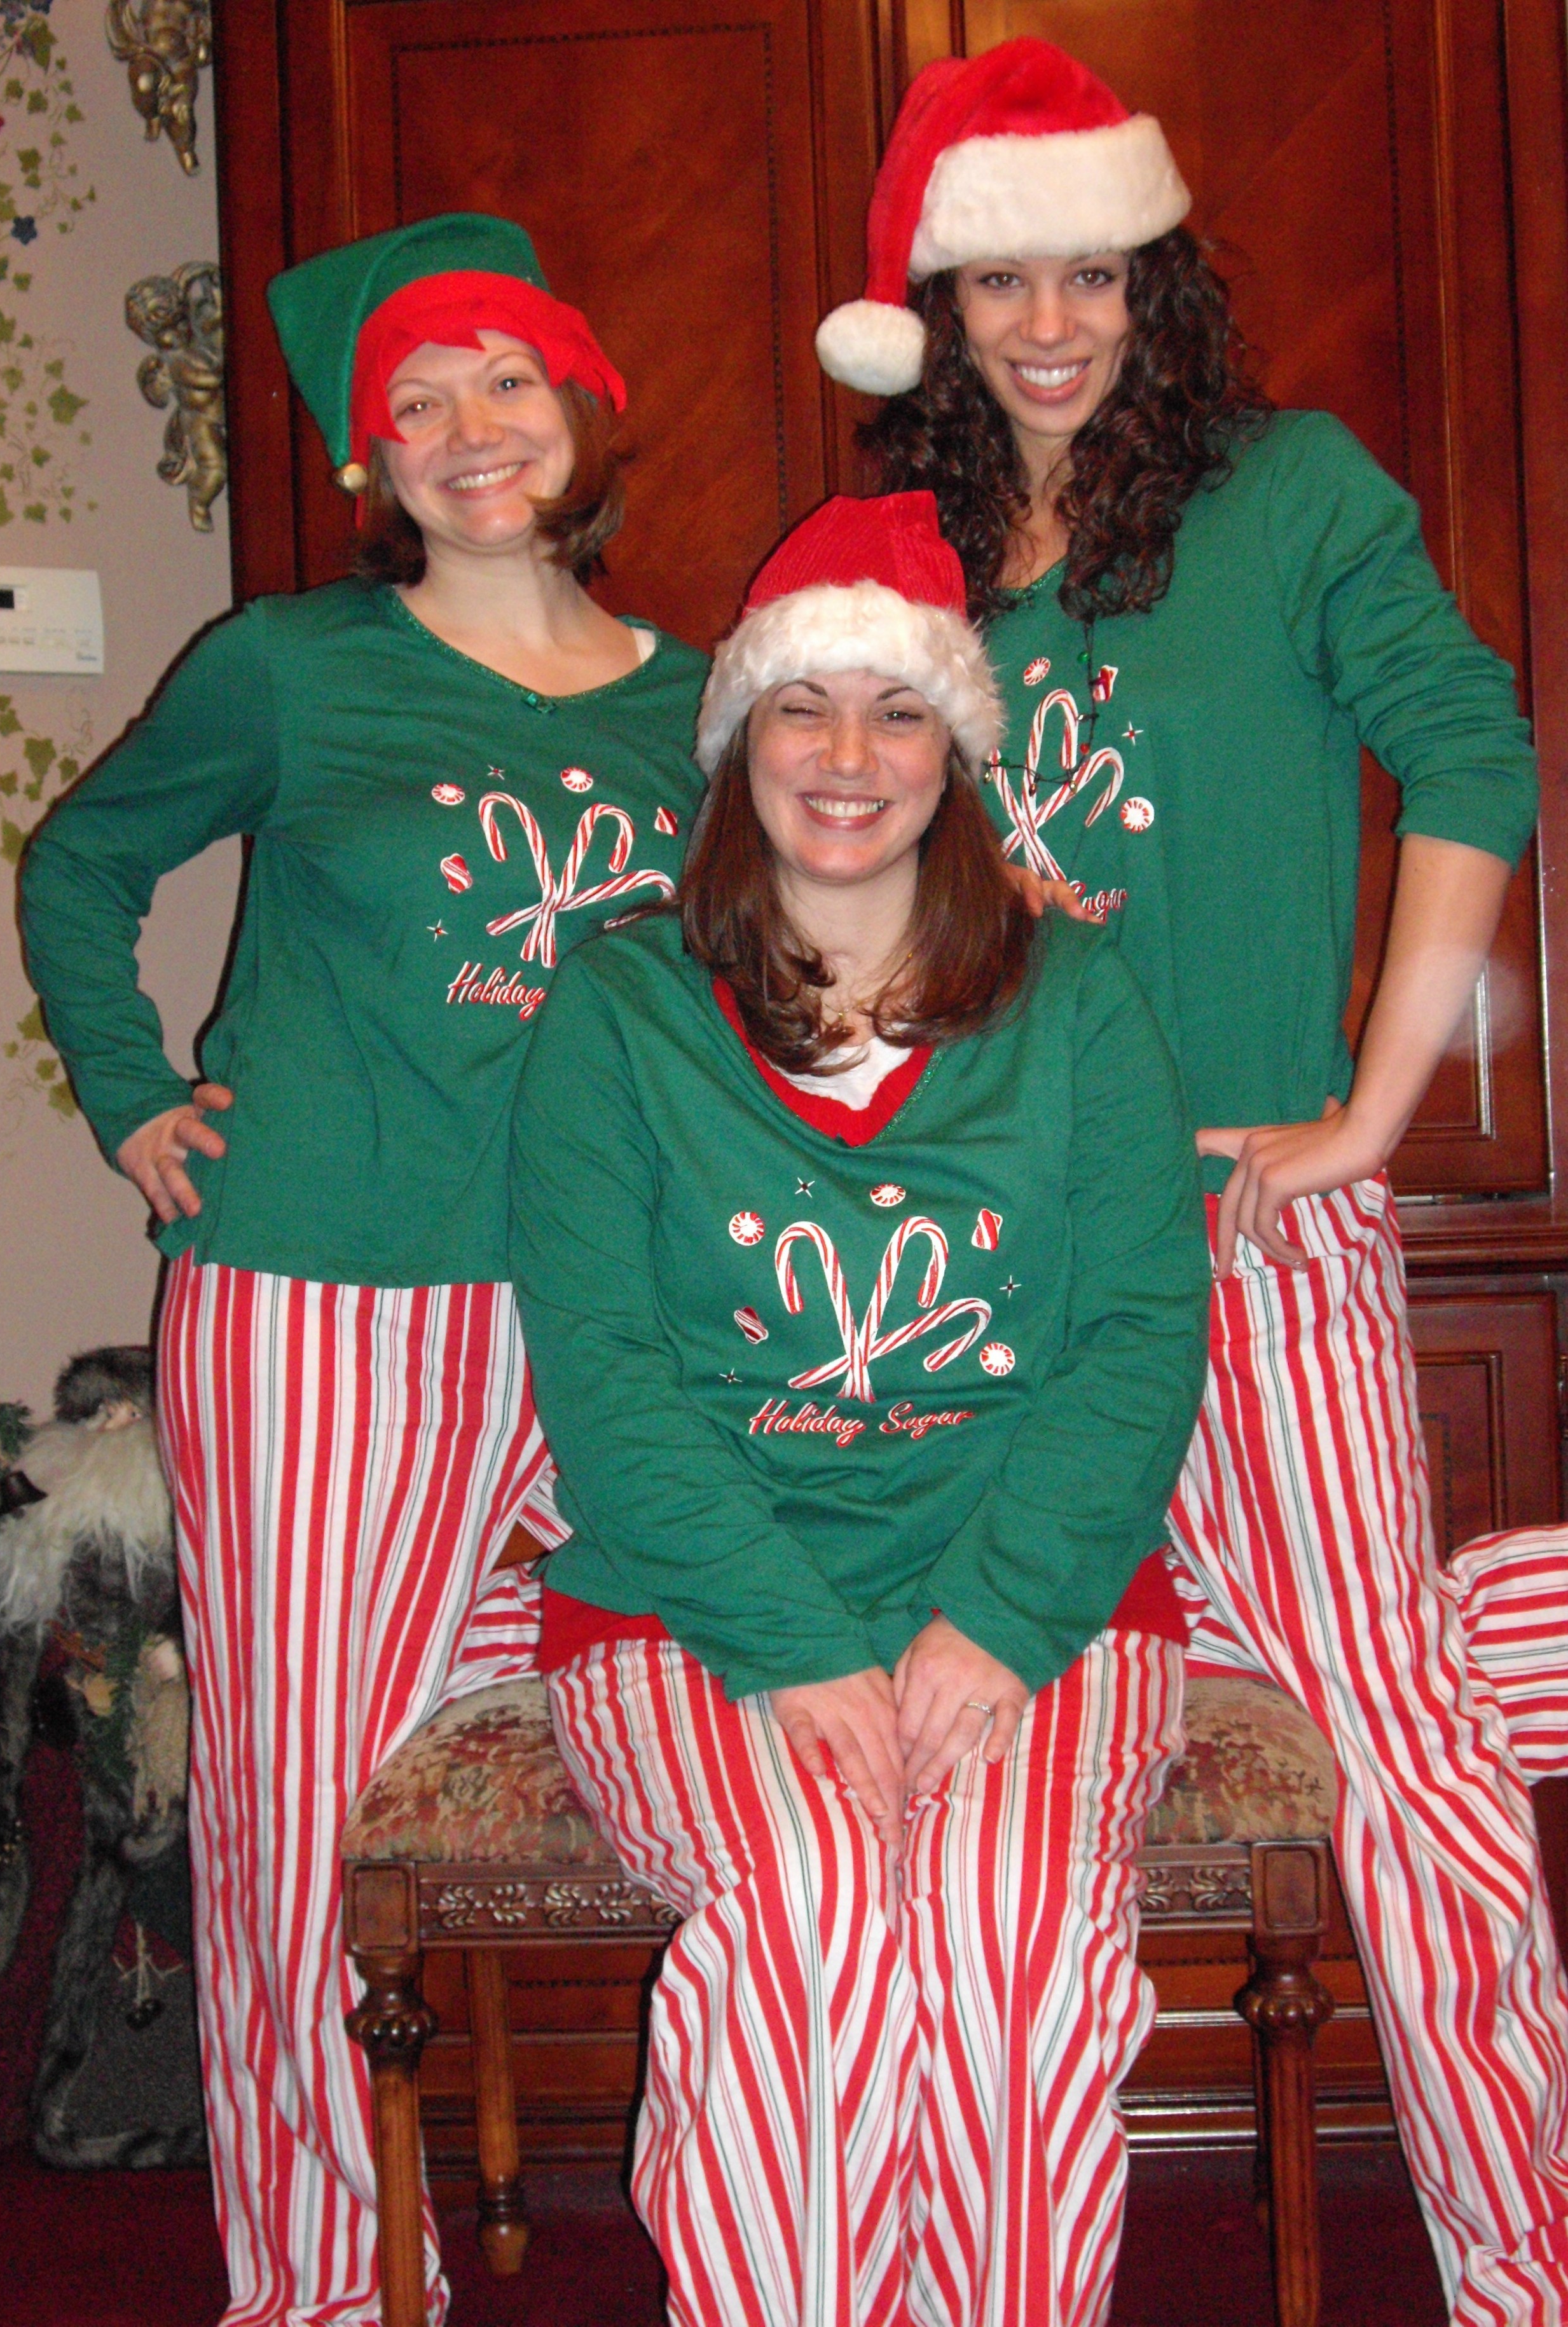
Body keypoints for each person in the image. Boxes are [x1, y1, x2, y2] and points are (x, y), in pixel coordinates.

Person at [824, 36, 1568, 2320]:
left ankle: (1522, 2267)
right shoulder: (909, 559)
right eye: (1000, 281)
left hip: (1247, 1224)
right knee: (997, 1741)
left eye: (1094, 272)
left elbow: (1472, 752)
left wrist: (1370, 1107)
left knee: (1397, 1744)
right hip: (989, 1261)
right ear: (941, 312)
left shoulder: (1291, 491)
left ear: (1157, 278)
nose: (1049, 323)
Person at [20, 212, 706, 2327]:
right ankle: (326, 2287)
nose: (468, 427)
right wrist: (135, 1093)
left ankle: (772, 2227)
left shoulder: (705, 700)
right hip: (332, 1301)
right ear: (369, 457)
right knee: (306, 1808)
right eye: (416, 401)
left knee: (733, 1733)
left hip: (618, 1308)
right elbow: (82, 858)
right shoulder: (291, 667)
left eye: (505, 378)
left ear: (581, 408)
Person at [509, 489, 1214, 2326]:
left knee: (1009, 1920)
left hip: (1037, 1601)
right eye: (800, 708)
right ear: (737, 741)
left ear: (954, 753)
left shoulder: (1079, 999)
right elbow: (606, 1375)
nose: (845, 757)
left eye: (898, 712)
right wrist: (793, 1643)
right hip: (689, 1607)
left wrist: (1001, 1616)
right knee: (813, 1906)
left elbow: (1141, 1331)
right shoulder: (619, 1011)